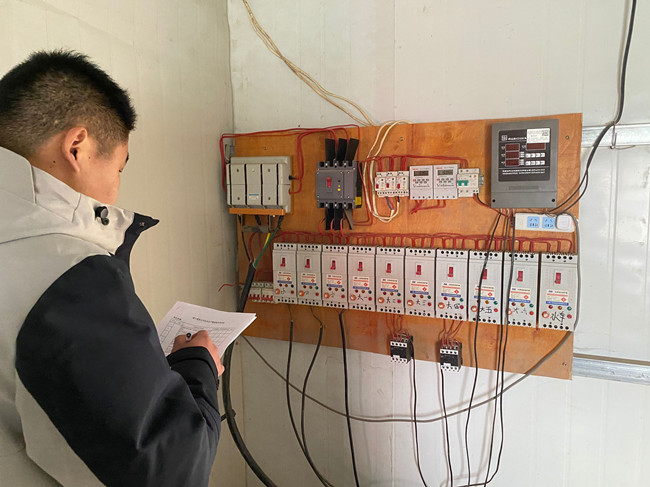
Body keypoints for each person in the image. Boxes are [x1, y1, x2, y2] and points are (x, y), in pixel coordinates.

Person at [0, 50, 224, 486]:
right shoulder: (71, 278)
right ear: (77, 147)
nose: (116, 188)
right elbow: (170, 469)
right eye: (118, 168)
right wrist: (198, 366)